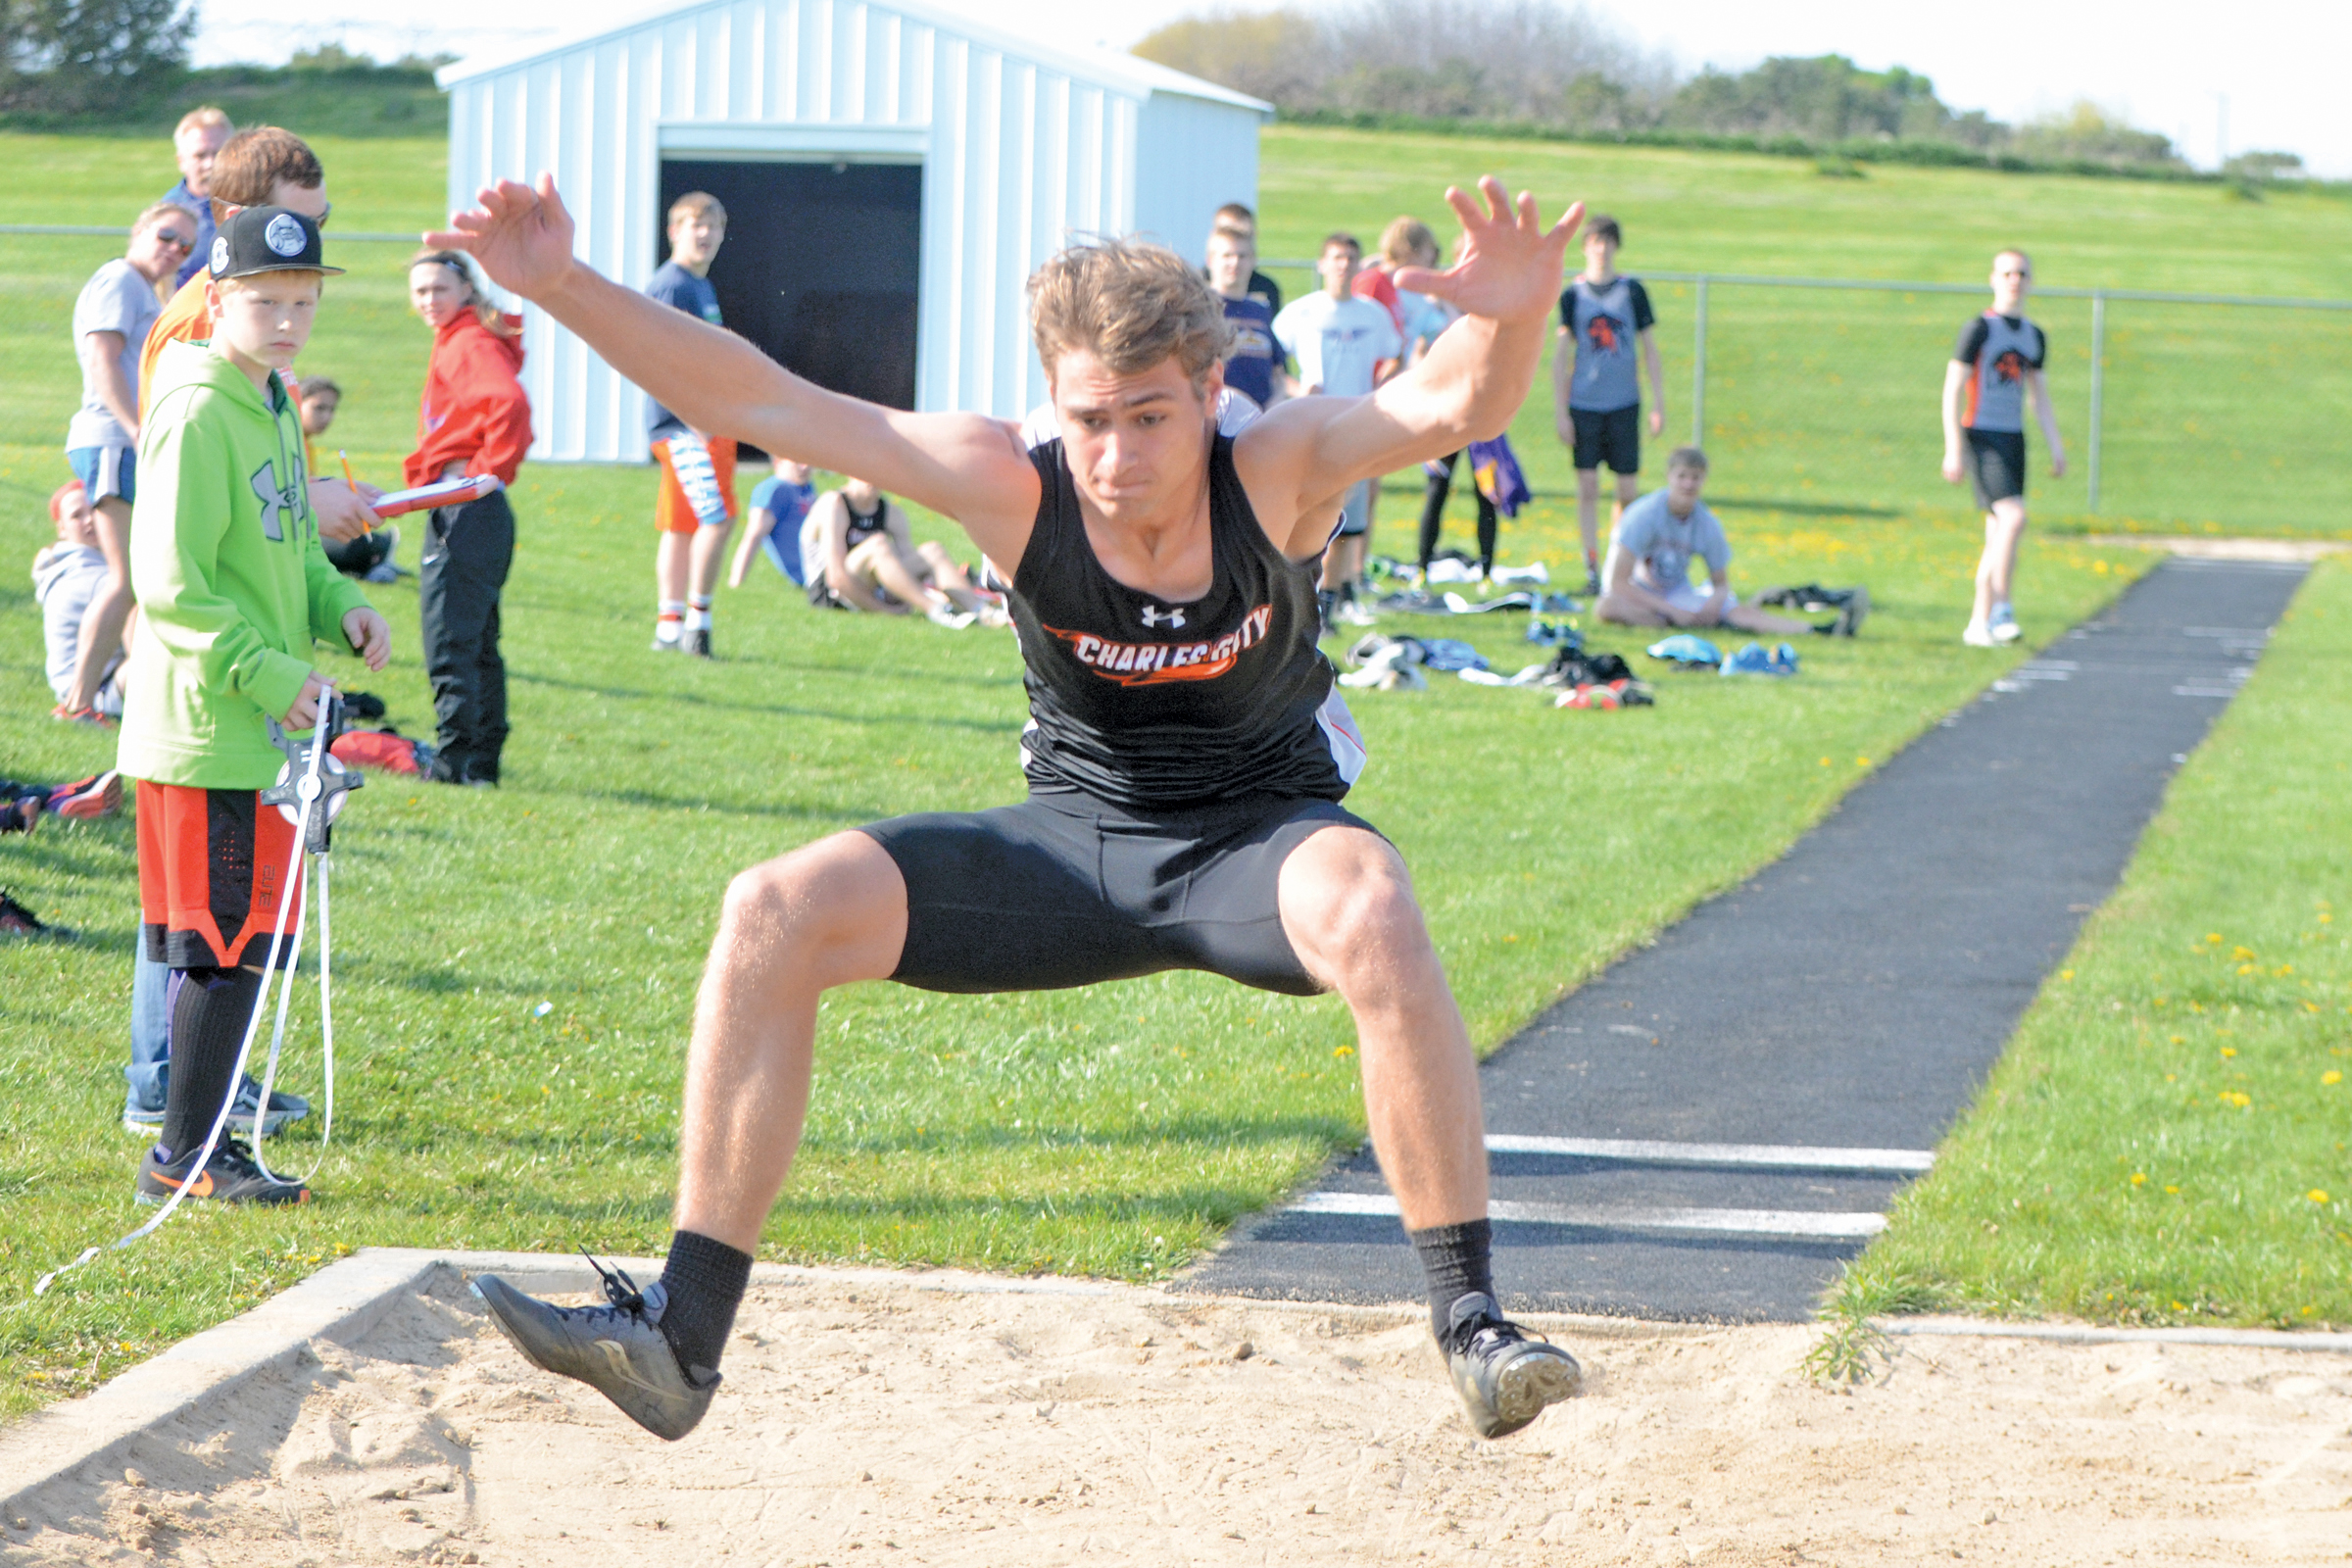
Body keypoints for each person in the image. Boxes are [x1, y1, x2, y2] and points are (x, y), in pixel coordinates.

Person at [434, 169, 1590, 1446]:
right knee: (772, 907)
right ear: (1053, 399)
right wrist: (560, 285)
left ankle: (1473, 1327)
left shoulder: (1277, 470)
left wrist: (1512, 315)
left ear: (1211, 395)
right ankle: (679, 1338)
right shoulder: (1007, 483)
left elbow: (1451, 400)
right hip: (1074, 847)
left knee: (1371, 904)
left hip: (1258, 840)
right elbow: (758, 397)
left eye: (1150, 419)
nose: (1116, 455)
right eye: (1089, 418)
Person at [118, 205, 391, 1207]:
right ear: (218, 300)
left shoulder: (272, 398)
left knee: (248, 941)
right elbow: (173, 588)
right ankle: (181, 1161)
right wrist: (276, 676)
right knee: (217, 945)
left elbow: (290, 551)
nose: (286, 322)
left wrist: (345, 604)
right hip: (206, 729)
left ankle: (206, 1147)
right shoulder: (195, 409)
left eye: (303, 303)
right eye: (265, 302)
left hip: (258, 730)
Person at [138, 125, 383, 548]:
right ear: (237, 220)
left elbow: (254, 452)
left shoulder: (267, 318)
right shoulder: (198, 322)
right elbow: (184, 490)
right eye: (297, 224)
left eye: (321, 220)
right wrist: (303, 502)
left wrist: (313, 487)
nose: (314, 238)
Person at [57, 201, 199, 725]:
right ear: (138, 232)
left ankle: (136, 695)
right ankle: (76, 702)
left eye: (185, 247)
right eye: (166, 237)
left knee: (142, 576)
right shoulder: (119, 278)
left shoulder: (142, 288)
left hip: (126, 439)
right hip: (114, 438)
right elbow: (101, 358)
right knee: (126, 579)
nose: (174, 251)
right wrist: (138, 427)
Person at [406, 249, 532, 786]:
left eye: (438, 288)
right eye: (419, 292)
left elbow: (509, 403)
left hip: (466, 504)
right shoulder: (459, 338)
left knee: (451, 640)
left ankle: (457, 761)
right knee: (476, 640)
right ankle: (479, 763)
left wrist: (485, 475)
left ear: (464, 291)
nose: (429, 300)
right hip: (469, 505)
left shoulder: (466, 341)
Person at [1594, 447, 1864, 637]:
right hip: (1643, 592)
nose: (1688, 485)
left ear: (1704, 480)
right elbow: (1619, 582)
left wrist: (1713, 605)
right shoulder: (1644, 515)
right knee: (1606, 607)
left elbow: (1721, 584)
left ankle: (1819, 630)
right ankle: (1669, 622)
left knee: (1737, 611)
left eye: (1695, 478)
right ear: (1669, 477)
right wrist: (1670, 611)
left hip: (1678, 592)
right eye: (1682, 476)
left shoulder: (1706, 522)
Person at [1273, 233, 1402, 628]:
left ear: (1360, 265)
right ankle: (1306, 601)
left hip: (1358, 425)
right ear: (1322, 265)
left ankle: (1334, 600)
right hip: (1316, 427)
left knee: (1351, 520)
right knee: (1315, 517)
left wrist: (1378, 394)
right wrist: (1297, 390)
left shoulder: (1372, 314)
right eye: (1336, 258)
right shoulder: (1302, 313)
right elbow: (1275, 365)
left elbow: (1394, 357)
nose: (1343, 265)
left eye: (1350, 258)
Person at [1943, 248, 2063, 647]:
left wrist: (2056, 446)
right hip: (1981, 434)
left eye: (2022, 273)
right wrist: (1953, 447)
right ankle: (1998, 608)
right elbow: (1953, 390)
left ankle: (1982, 622)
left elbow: (2038, 397)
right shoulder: (1978, 329)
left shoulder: (2033, 336)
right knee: (2013, 519)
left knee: (1999, 531)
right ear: (1993, 278)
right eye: (2008, 272)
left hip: (2013, 438)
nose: (2015, 280)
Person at [1552, 214, 1665, 598]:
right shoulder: (1573, 295)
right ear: (1585, 247)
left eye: (1608, 242)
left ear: (1616, 246)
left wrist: (1657, 404)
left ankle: (1621, 565)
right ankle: (1590, 566)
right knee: (1587, 486)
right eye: (1595, 242)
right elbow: (1562, 355)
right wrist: (1560, 410)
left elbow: (1649, 350)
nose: (1601, 249)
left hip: (1624, 403)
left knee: (1627, 490)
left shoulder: (1632, 292)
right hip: (1584, 403)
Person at [646, 192, 736, 658]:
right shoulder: (672, 286)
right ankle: (699, 624)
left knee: (680, 527)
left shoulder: (701, 286)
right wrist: (694, 416)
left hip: (697, 422)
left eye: (713, 226)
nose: (705, 235)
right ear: (673, 232)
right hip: (683, 427)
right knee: (716, 520)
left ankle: (668, 628)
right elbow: (656, 359)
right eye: (694, 226)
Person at [802, 476, 999, 625]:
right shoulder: (834, 504)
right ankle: (937, 611)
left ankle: (981, 611)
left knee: (933, 551)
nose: (875, 477)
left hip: (872, 584)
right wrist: (886, 611)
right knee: (878, 545)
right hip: (832, 594)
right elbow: (835, 577)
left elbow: (908, 569)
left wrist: (932, 590)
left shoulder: (890, 512)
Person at [37, 480, 132, 718]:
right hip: (100, 694)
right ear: (61, 529)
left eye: (94, 510)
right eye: (77, 516)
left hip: (87, 688)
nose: (89, 520)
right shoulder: (87, 578)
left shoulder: (73, 567)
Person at [296, 377, 398, 582]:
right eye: (319, 408)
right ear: (296, 402)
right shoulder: (290, 442)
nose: (327, 417)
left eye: (332, 410)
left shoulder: (307, 445)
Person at [1206, 227, 1282, 411]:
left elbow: (1278, 371)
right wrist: (1234, 399)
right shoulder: (1200, 307)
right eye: (1227, 256)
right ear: (1210, 260)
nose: (1235, 263)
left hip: (1262, 420)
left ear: (1253, 261)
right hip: (1219, 416)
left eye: (1242, 256)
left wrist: (1276, 402)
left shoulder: (1260, 309)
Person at [161, 106, 232, 289]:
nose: (210, 163)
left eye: (218, 154)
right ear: (181, 161)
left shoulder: (252, 206)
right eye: (200, 156)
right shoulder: (168, 216)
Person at [727, 458, 820, 588]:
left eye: (807, 460)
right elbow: (753, 537)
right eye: (797, 461)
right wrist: (736, 582)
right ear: (778, 462)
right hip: (811, 574)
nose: (804, 467)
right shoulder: (774, 490)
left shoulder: (806, 486)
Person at [1209, 202, 1282, 314]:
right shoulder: (1196, 284)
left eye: (1244, 234)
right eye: (1227, 231)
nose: (1235, 262)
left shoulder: (1265, 288)